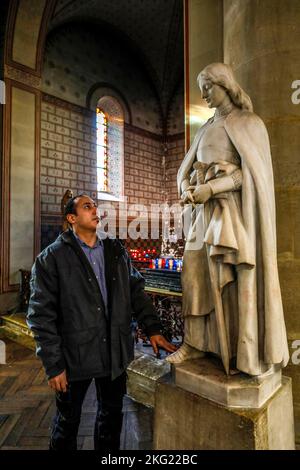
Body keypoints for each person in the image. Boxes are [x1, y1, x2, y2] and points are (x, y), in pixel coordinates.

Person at [27, 194, 176, 451]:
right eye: (87, 207)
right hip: (75, 355)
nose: (95, 210)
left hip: (113, 352)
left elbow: (135, 291)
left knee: (111, 418)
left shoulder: (114, 250)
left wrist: (152, 327)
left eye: (95, 206)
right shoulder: (52, 258)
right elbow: (41, 316)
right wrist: (53, 365)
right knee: (67, 424)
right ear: (72, 218)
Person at [167, 63, 289, 376]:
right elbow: (185, 167)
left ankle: (241, 351)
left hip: (233, 213)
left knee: (237, 285)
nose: (204, 94)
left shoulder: (249, 122)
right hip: (202, 214)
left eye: (208, 86)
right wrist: (189, 189)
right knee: (193, 277)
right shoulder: (205, 127)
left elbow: (249, 176)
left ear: (225, 84)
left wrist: (212, 187)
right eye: (201, 88)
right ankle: (195, 343)